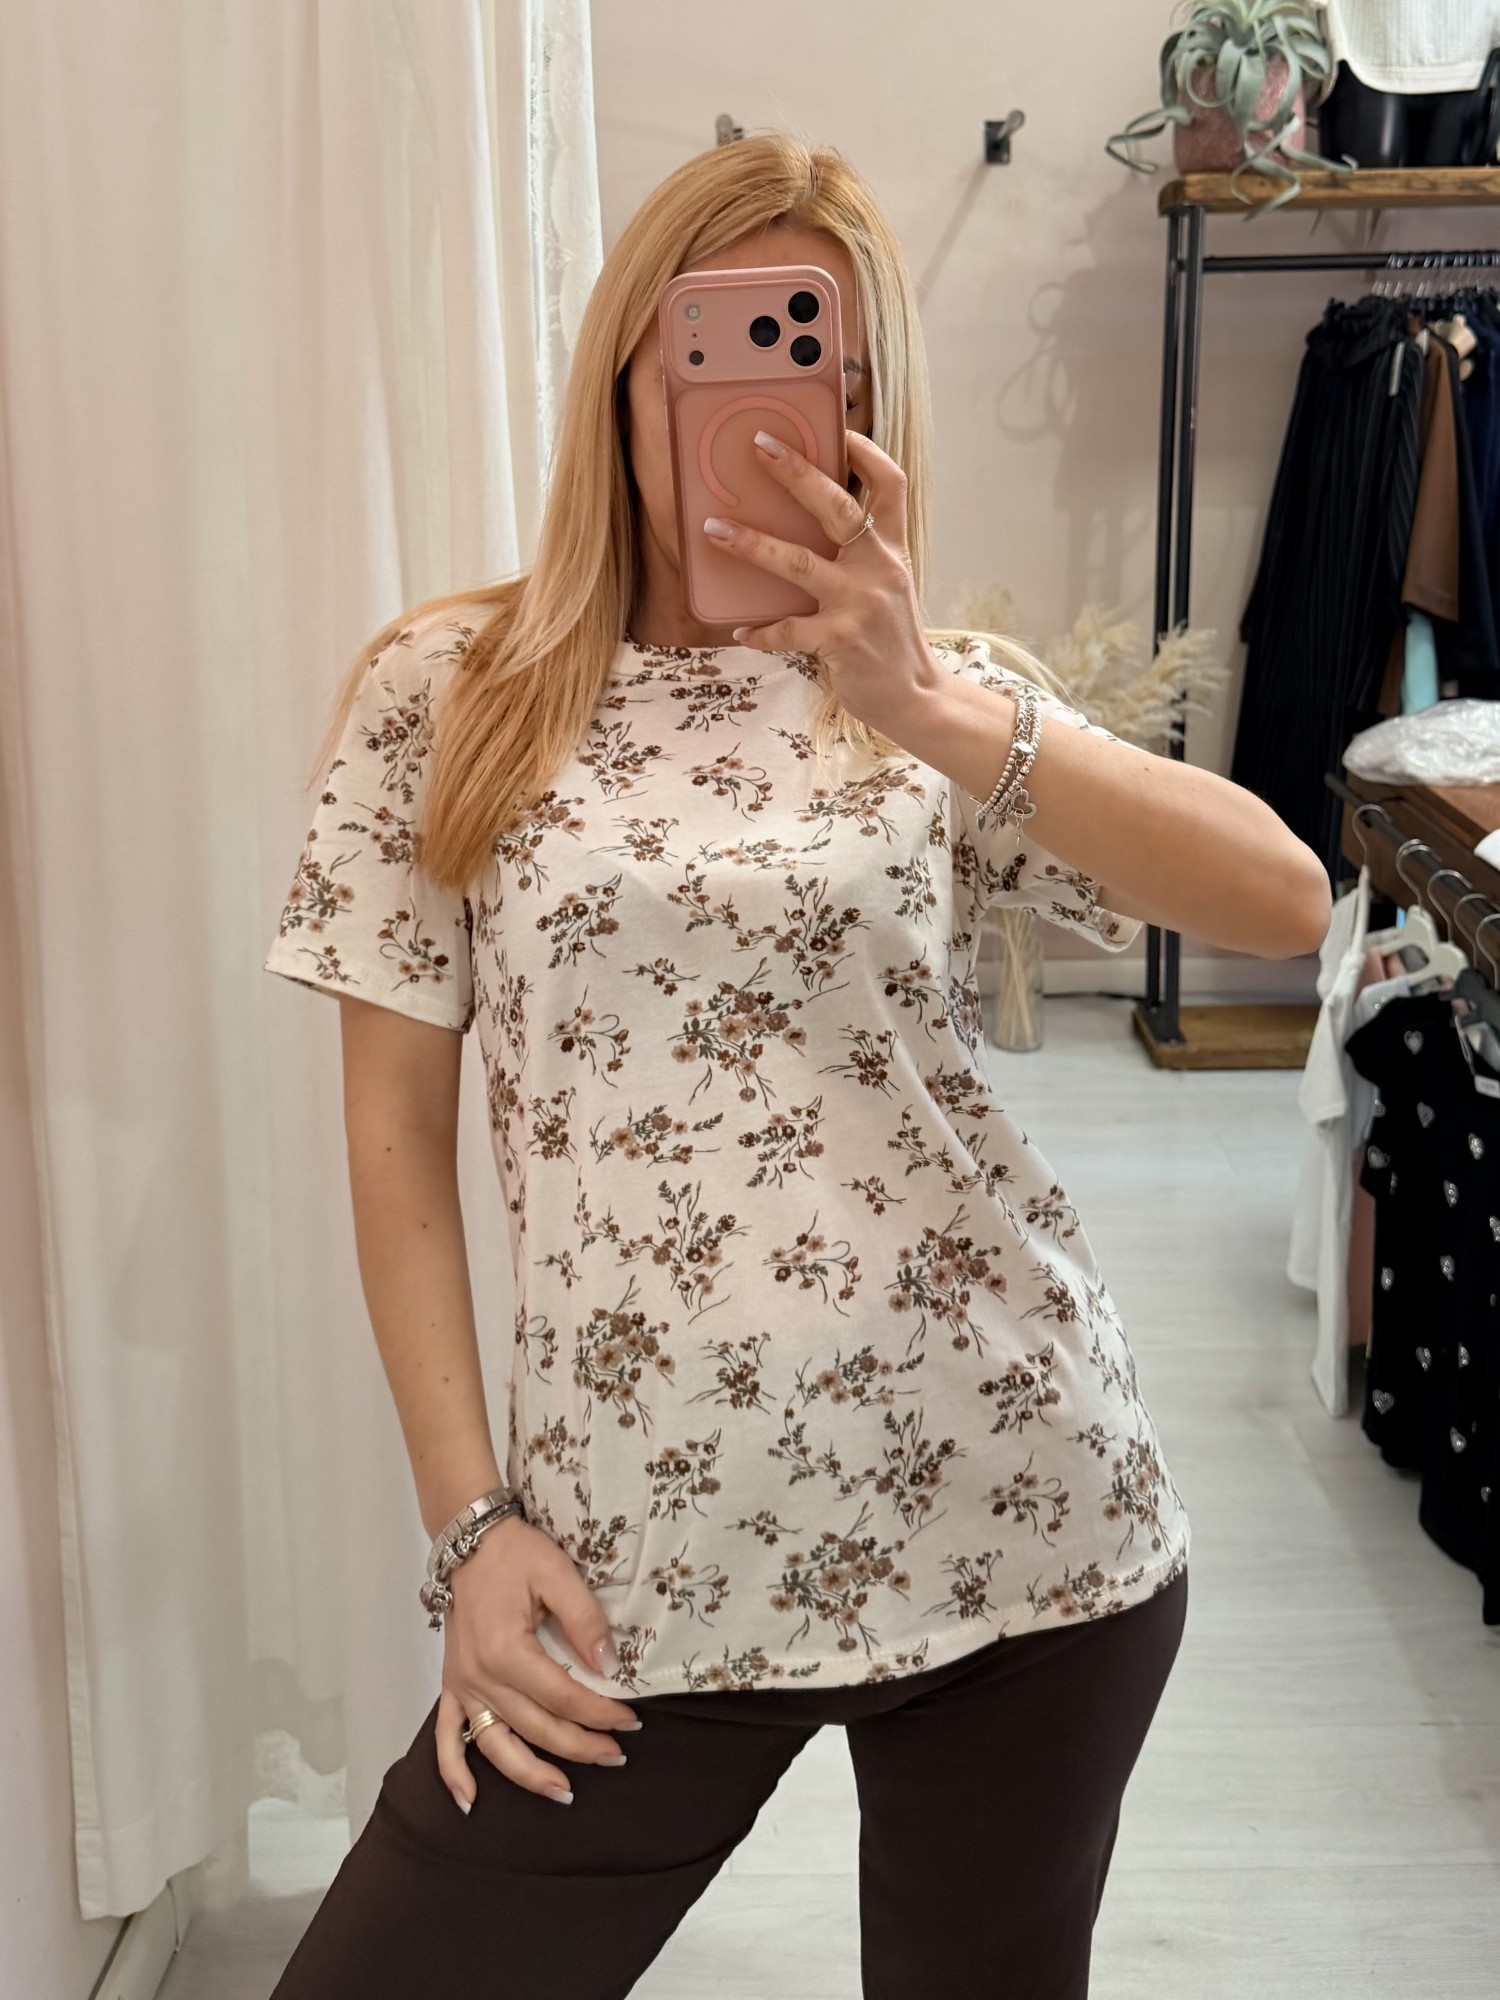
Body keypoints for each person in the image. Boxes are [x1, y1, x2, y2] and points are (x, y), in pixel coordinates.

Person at [262, 132, 1330, 1999]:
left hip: (1020, 1525)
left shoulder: (929, 690)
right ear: (628, 373)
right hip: (628, 1572)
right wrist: (469, 1527)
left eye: (808, 354)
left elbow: (1285, 901)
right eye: (708, 346)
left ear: (863, 402)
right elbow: (392, 1142)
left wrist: (930, 708)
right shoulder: (452, 691)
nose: (754, 410)